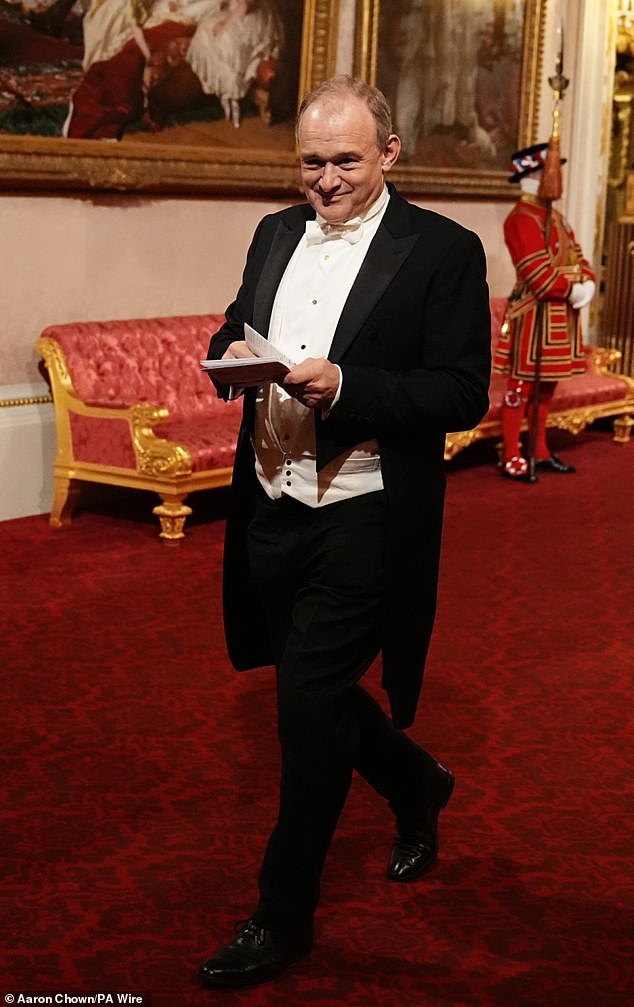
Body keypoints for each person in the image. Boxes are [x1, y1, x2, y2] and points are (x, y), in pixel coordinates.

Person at [199, 74, 491, 988]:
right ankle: (416, 782)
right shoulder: (276, 231)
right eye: (312, 162)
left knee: (304, 710)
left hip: (366, 512)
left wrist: (348, 386)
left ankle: (280, 914)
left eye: (345, 162)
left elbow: (460, 392)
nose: (324, 180)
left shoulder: (443, 250)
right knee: (309, 688)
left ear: (390, 155)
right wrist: (233, 358)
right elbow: (240, 320)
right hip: (270, 502)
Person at [494, 142, 597, 481]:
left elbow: (579, 258)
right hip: (532, 315)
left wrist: (588, 282)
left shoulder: (558, 219)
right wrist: (573, 287)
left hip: (560, 317)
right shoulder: (521, 219)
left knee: (548, 387)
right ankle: (511, 455)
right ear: (529, 176)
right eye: (545, 172)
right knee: (521, 387)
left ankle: (539, 449)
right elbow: (539, 276)